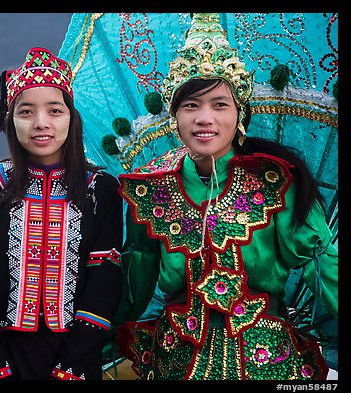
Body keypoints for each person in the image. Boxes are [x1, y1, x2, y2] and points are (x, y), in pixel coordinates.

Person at [113, 13, 338, 380]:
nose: (205, 118)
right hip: (175, 360)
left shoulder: (275, 180)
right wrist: (98, 335)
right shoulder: (149, 187)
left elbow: (320, 264)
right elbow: (135, 280)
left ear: (240, 114)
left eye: (219, 105)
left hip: (266, 360)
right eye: (191, 106)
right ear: (174, 116)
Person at [0, 47, 123, 380]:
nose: (41, 123)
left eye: (55, 111)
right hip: (2, 358)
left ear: (71, 118)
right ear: (10, 120)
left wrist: (73, 368)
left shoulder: (101, 189)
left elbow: (104, 281)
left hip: (77, 358)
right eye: (26, 112)